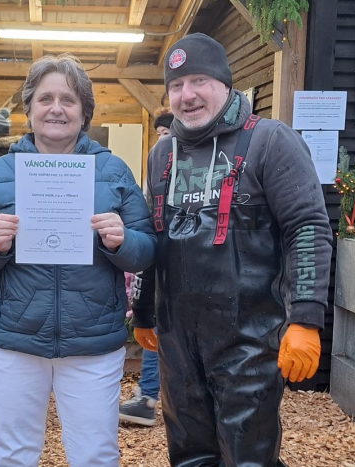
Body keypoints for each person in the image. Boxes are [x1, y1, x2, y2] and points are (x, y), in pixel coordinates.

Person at [130, 33, 331, 467]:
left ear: (225, 83)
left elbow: (308, 227)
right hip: (177, 342)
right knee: (189, 454)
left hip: (249, 342)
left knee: (248, 456)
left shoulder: (271, 142)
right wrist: (145, 311)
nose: (188, 95)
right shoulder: (161, 155)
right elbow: (154, 236)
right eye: (177, 86)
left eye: (198, 80)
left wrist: (307, 318)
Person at [0, 53, 156, 467]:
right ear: (29, 108)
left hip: (92, 344)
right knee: (12, 455)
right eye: (45, 99)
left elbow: (149, 248)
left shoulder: (113, 171)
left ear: (84, 111)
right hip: (13, 341)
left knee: (95, 455)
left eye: (68, 99)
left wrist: (121, 242)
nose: (56, 109)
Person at [117, 107, 175, 427]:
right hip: (159, 267)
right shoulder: (156, 167)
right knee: (156, 329)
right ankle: (149, 397)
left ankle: (151, 396)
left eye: (167, 133)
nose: (162, 140)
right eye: (159, 135)